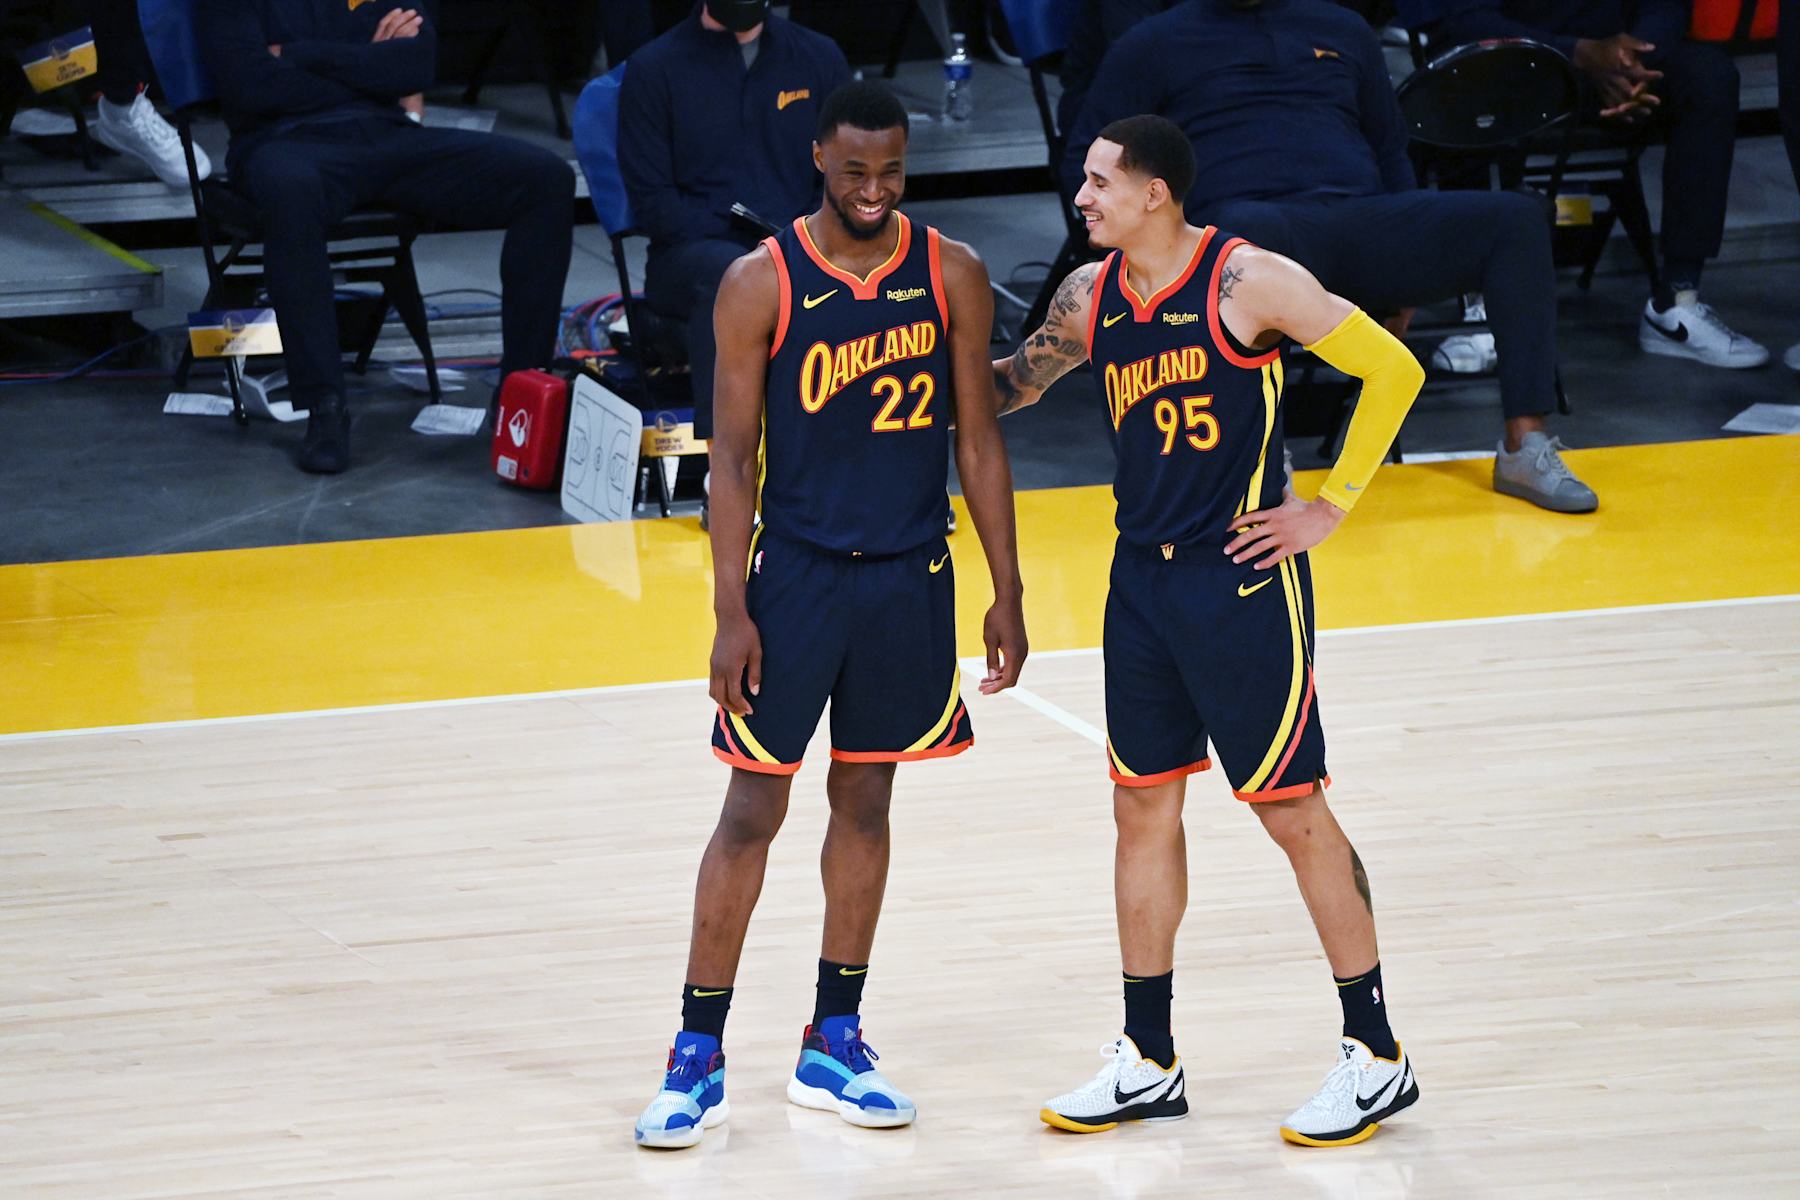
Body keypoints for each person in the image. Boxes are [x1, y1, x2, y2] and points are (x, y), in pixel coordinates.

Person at [997, 115, 1422, 1147]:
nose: (1082, 198)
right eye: (1083, 181)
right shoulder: (1089, 297)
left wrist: (1330, 505)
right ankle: (1149, 1056)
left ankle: (1377, 1056)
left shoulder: (1249, 283)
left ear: (1157, 193)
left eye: (1101, 182)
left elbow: (1395, 369)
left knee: (1291, 811)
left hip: (1239, 586)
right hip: (1138, 583)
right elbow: (1011, 384)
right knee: (1141, 809)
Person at [633, 81, 1028, 1150]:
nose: (873, 189)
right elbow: (731, 459)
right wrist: (728, 609)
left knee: (866, 805)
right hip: (797, 579)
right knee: (751, 814)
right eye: (855, 170)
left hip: (910, 580)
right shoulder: (760, 282)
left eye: (891, 170)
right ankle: (696, 1052)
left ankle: (833, 1038)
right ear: (818, 158)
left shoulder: (953, 272)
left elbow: (979, 442)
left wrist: (1008, 586)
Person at [1062, 0, 1597, 514]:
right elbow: (1086, 161)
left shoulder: (1343, 28)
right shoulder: (1151, 43)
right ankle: (1261, 464)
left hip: (1360, 216)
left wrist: (1403, 273)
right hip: (1245, 232)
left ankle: (1525, 445)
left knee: (1515, 218)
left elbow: (1391, 149)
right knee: (1249, 236)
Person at [195, 0, 574, 474]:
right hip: (285, 143)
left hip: (389, 134)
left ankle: (523, 393)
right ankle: (324, 406)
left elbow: (415, 65)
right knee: (291, 190)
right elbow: (251, 85)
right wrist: (367, 63)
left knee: (546, 180)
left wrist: (295, 54)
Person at [1421, 0, 1770, 370]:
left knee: (1709, 76)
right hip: (1519, 60)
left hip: (1613, 64)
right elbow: (1464, 20)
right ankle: (1480, 308)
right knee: (1464, 81)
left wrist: (1633, 62)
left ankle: (1676, 303)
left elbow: (1667, 6)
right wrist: (1579, 54)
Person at [618, 0, 850, 447]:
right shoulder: (653, 69)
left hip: (802, 244)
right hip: (688, 255)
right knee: (732, 276)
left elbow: (844, 174)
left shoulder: (820, 57)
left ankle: (886, 459)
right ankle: (725, 463)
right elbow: (654, 204)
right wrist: (755, 254)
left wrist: (800, 240)